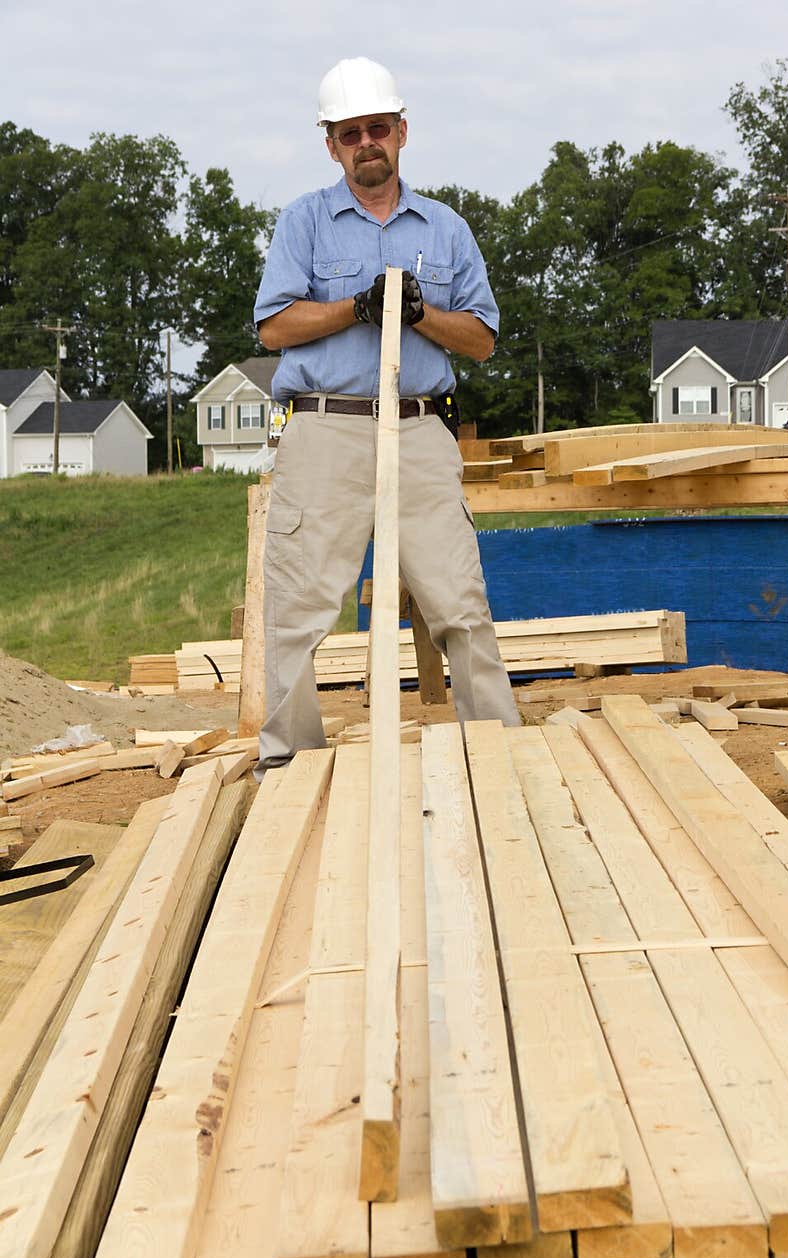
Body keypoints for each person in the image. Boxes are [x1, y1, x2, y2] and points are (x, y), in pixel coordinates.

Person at [252, 55, 519, 776]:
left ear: (401, 132)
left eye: (377, 128)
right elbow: (274, 327)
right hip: (325, 429)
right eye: (349, 133)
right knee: (299, 610)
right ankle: (289, 769)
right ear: (331, 145)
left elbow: (483, 340)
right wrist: (355, 307)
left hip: (420, 429)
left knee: (460, 602)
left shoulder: (446, 228)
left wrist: (421, 313)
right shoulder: (304, 223)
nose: (365, 142)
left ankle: (498, 759)